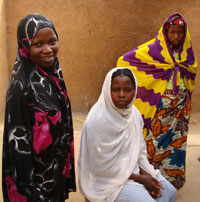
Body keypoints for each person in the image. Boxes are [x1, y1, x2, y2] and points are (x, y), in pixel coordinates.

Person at [117, 13, 197, 189]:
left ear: (185, 34)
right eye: (172, 32)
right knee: (154, 143)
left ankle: (172, 181)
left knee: (177, 143)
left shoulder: (187, 53)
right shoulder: (154, 49)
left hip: (180, 111)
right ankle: (152, 181)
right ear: (166, 32)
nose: (176, 36)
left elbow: (191, 71)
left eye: (180, 32)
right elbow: (125, 60)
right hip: (159, 109)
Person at [2, 14, 76, 201]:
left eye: (52, 41)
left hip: (54, 170)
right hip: (34, 182)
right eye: (38, 44)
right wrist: (30, 190)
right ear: (25, 47)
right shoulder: (21, 86)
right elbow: (17, 143)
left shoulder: (53, 76)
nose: (48, 49)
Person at [78, 67, 177, 202]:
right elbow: (100, 168)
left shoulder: (133, 114)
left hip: (133, 171)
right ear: (107, 90)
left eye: (128, 90)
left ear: (135, 90)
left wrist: (146, 173)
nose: (122, 94)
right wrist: (140, 179)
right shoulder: (97, 120)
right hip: (107, 182)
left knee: (170, 192)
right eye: (115, 89)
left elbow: (138, 152)